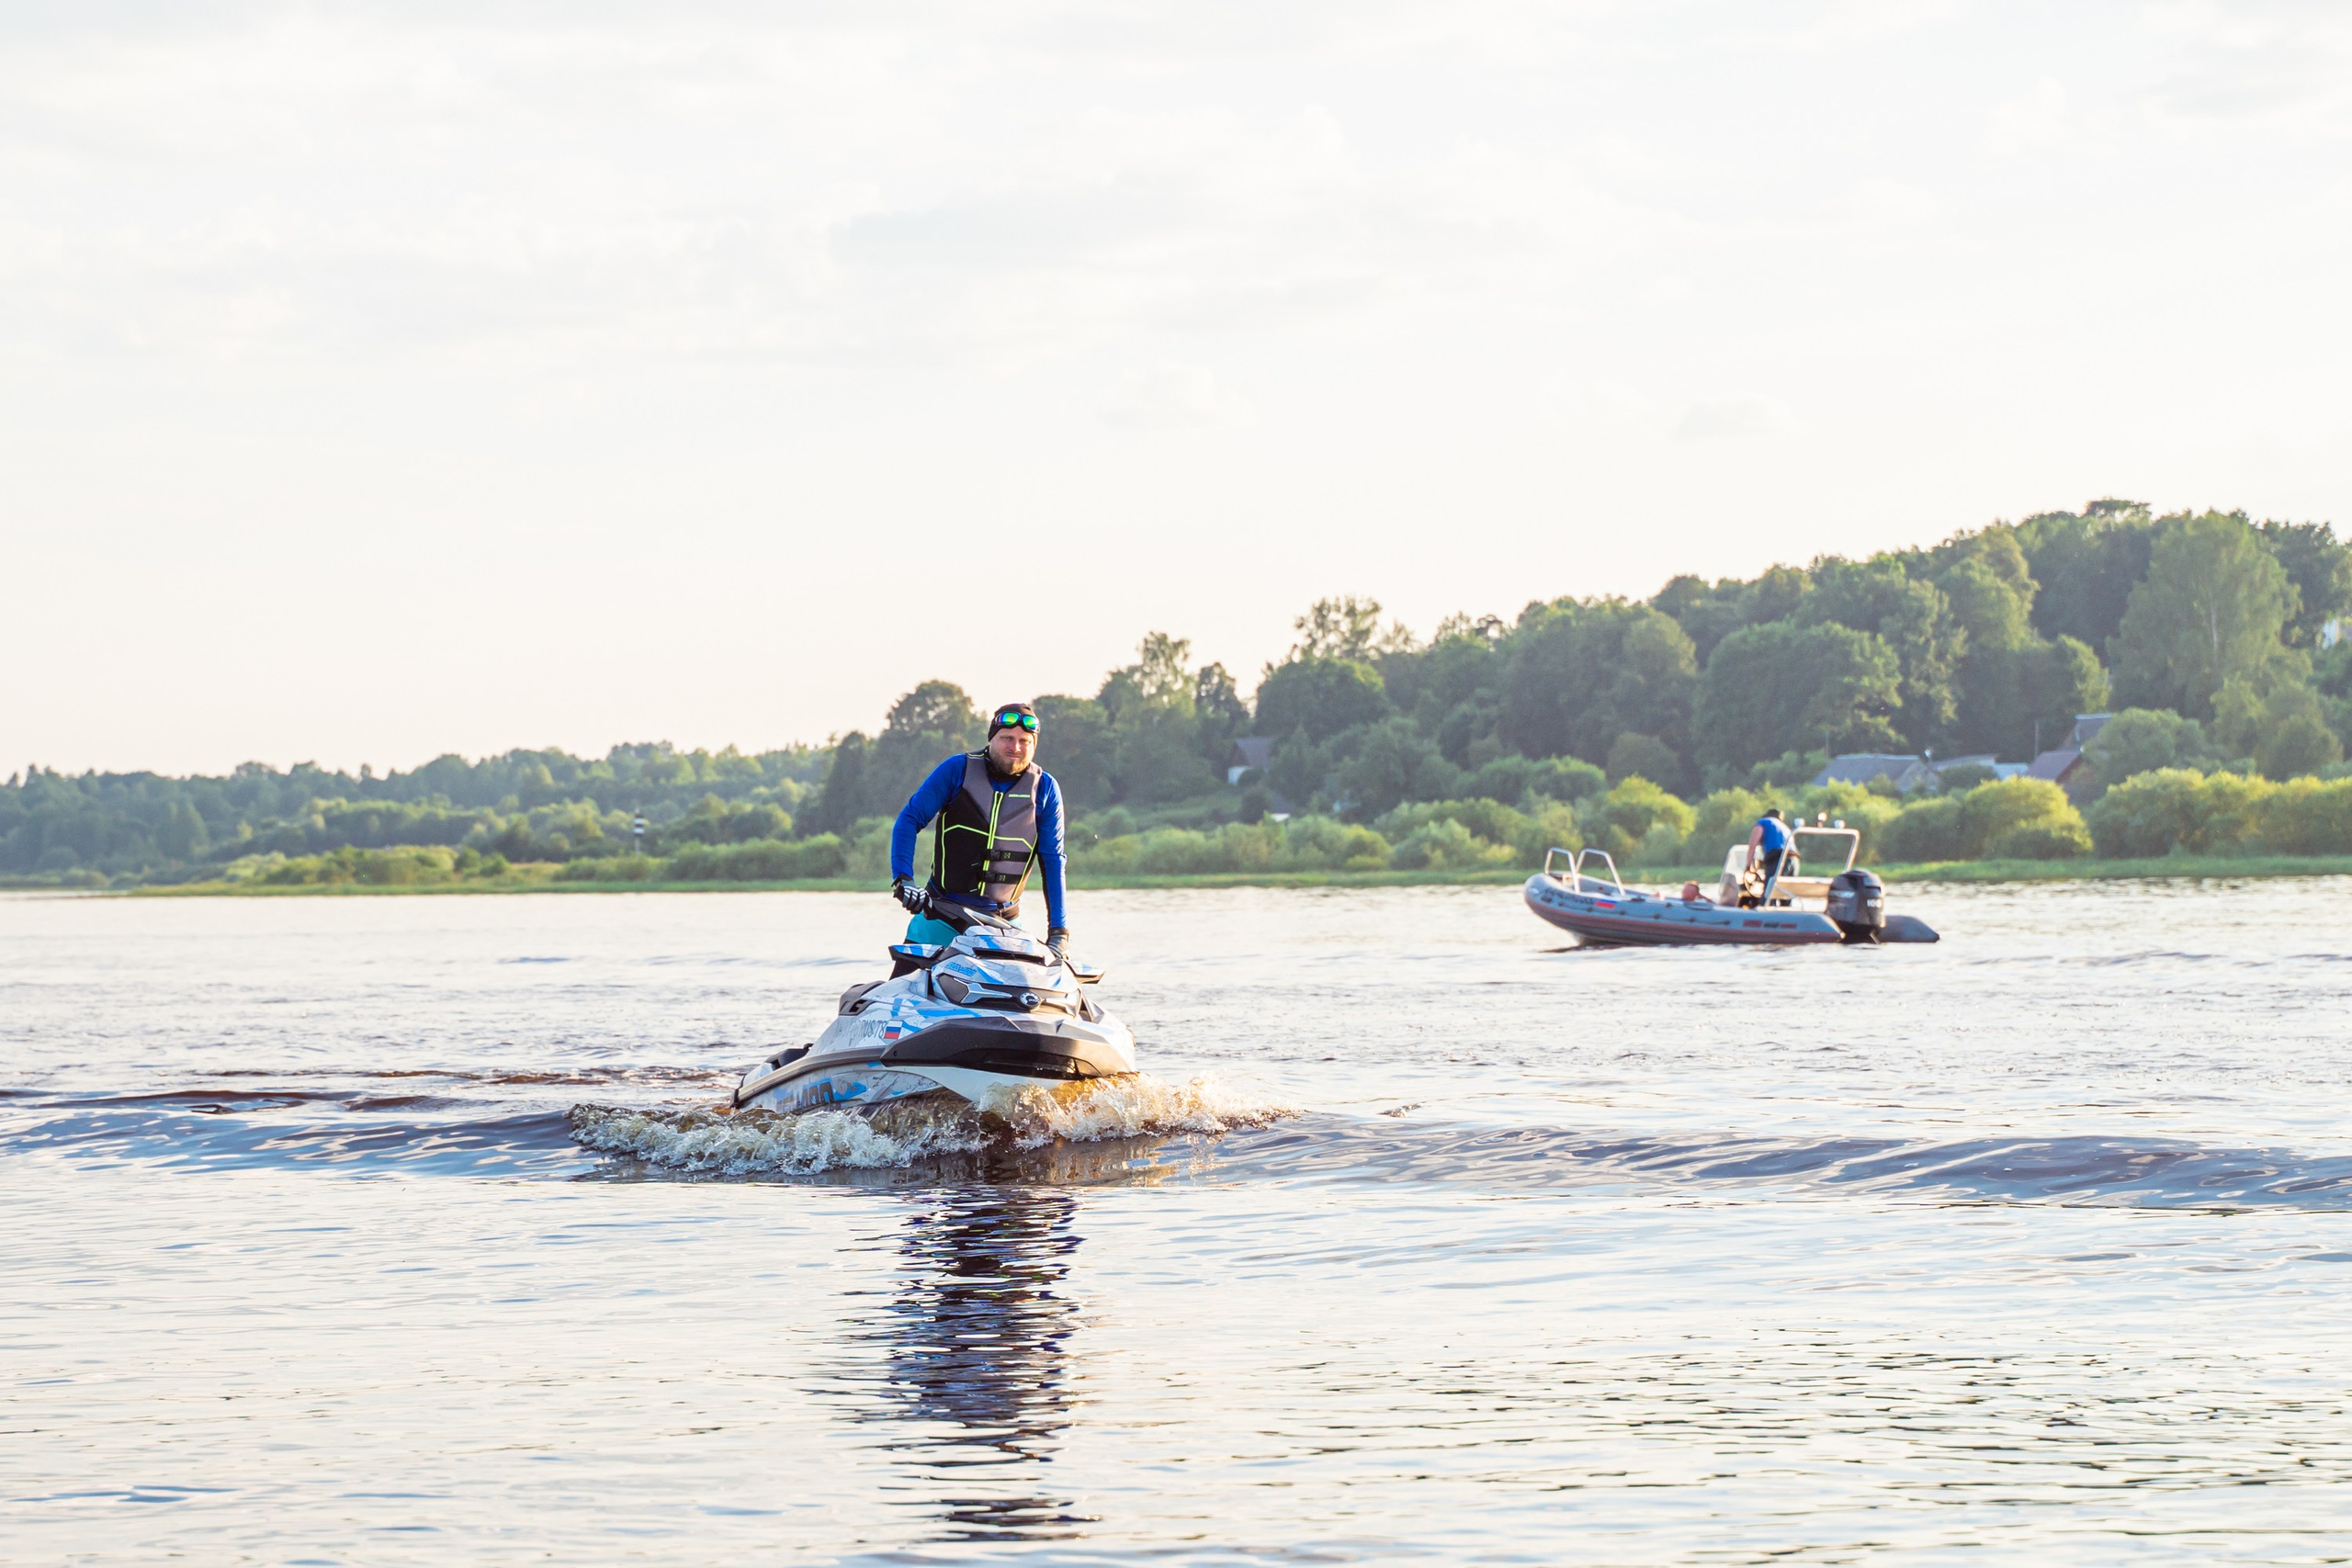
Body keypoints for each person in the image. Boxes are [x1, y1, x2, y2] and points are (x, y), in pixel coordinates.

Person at [888, 701, 1069, 954]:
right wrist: (904, 880)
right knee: (903, 984)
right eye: (1007, 738)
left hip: (1004, 924)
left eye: (1024, 741)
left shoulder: (1046, 789)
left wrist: (1059, 932)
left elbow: (1053, 860)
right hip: (940, 916)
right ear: (992, 738)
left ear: (1033, 745)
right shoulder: (956, 769)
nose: (1015, 747)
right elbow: (908, 820)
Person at [1744, 807, 1792, 908]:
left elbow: (1753, 845)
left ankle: (1765, 912)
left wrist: (1748, 867)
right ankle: (1787, 914)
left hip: (1778, 857)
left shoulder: (1763, 822)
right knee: (1785, 893)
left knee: (1769, 893)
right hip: (1793, 858)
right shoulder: (1783, 826)